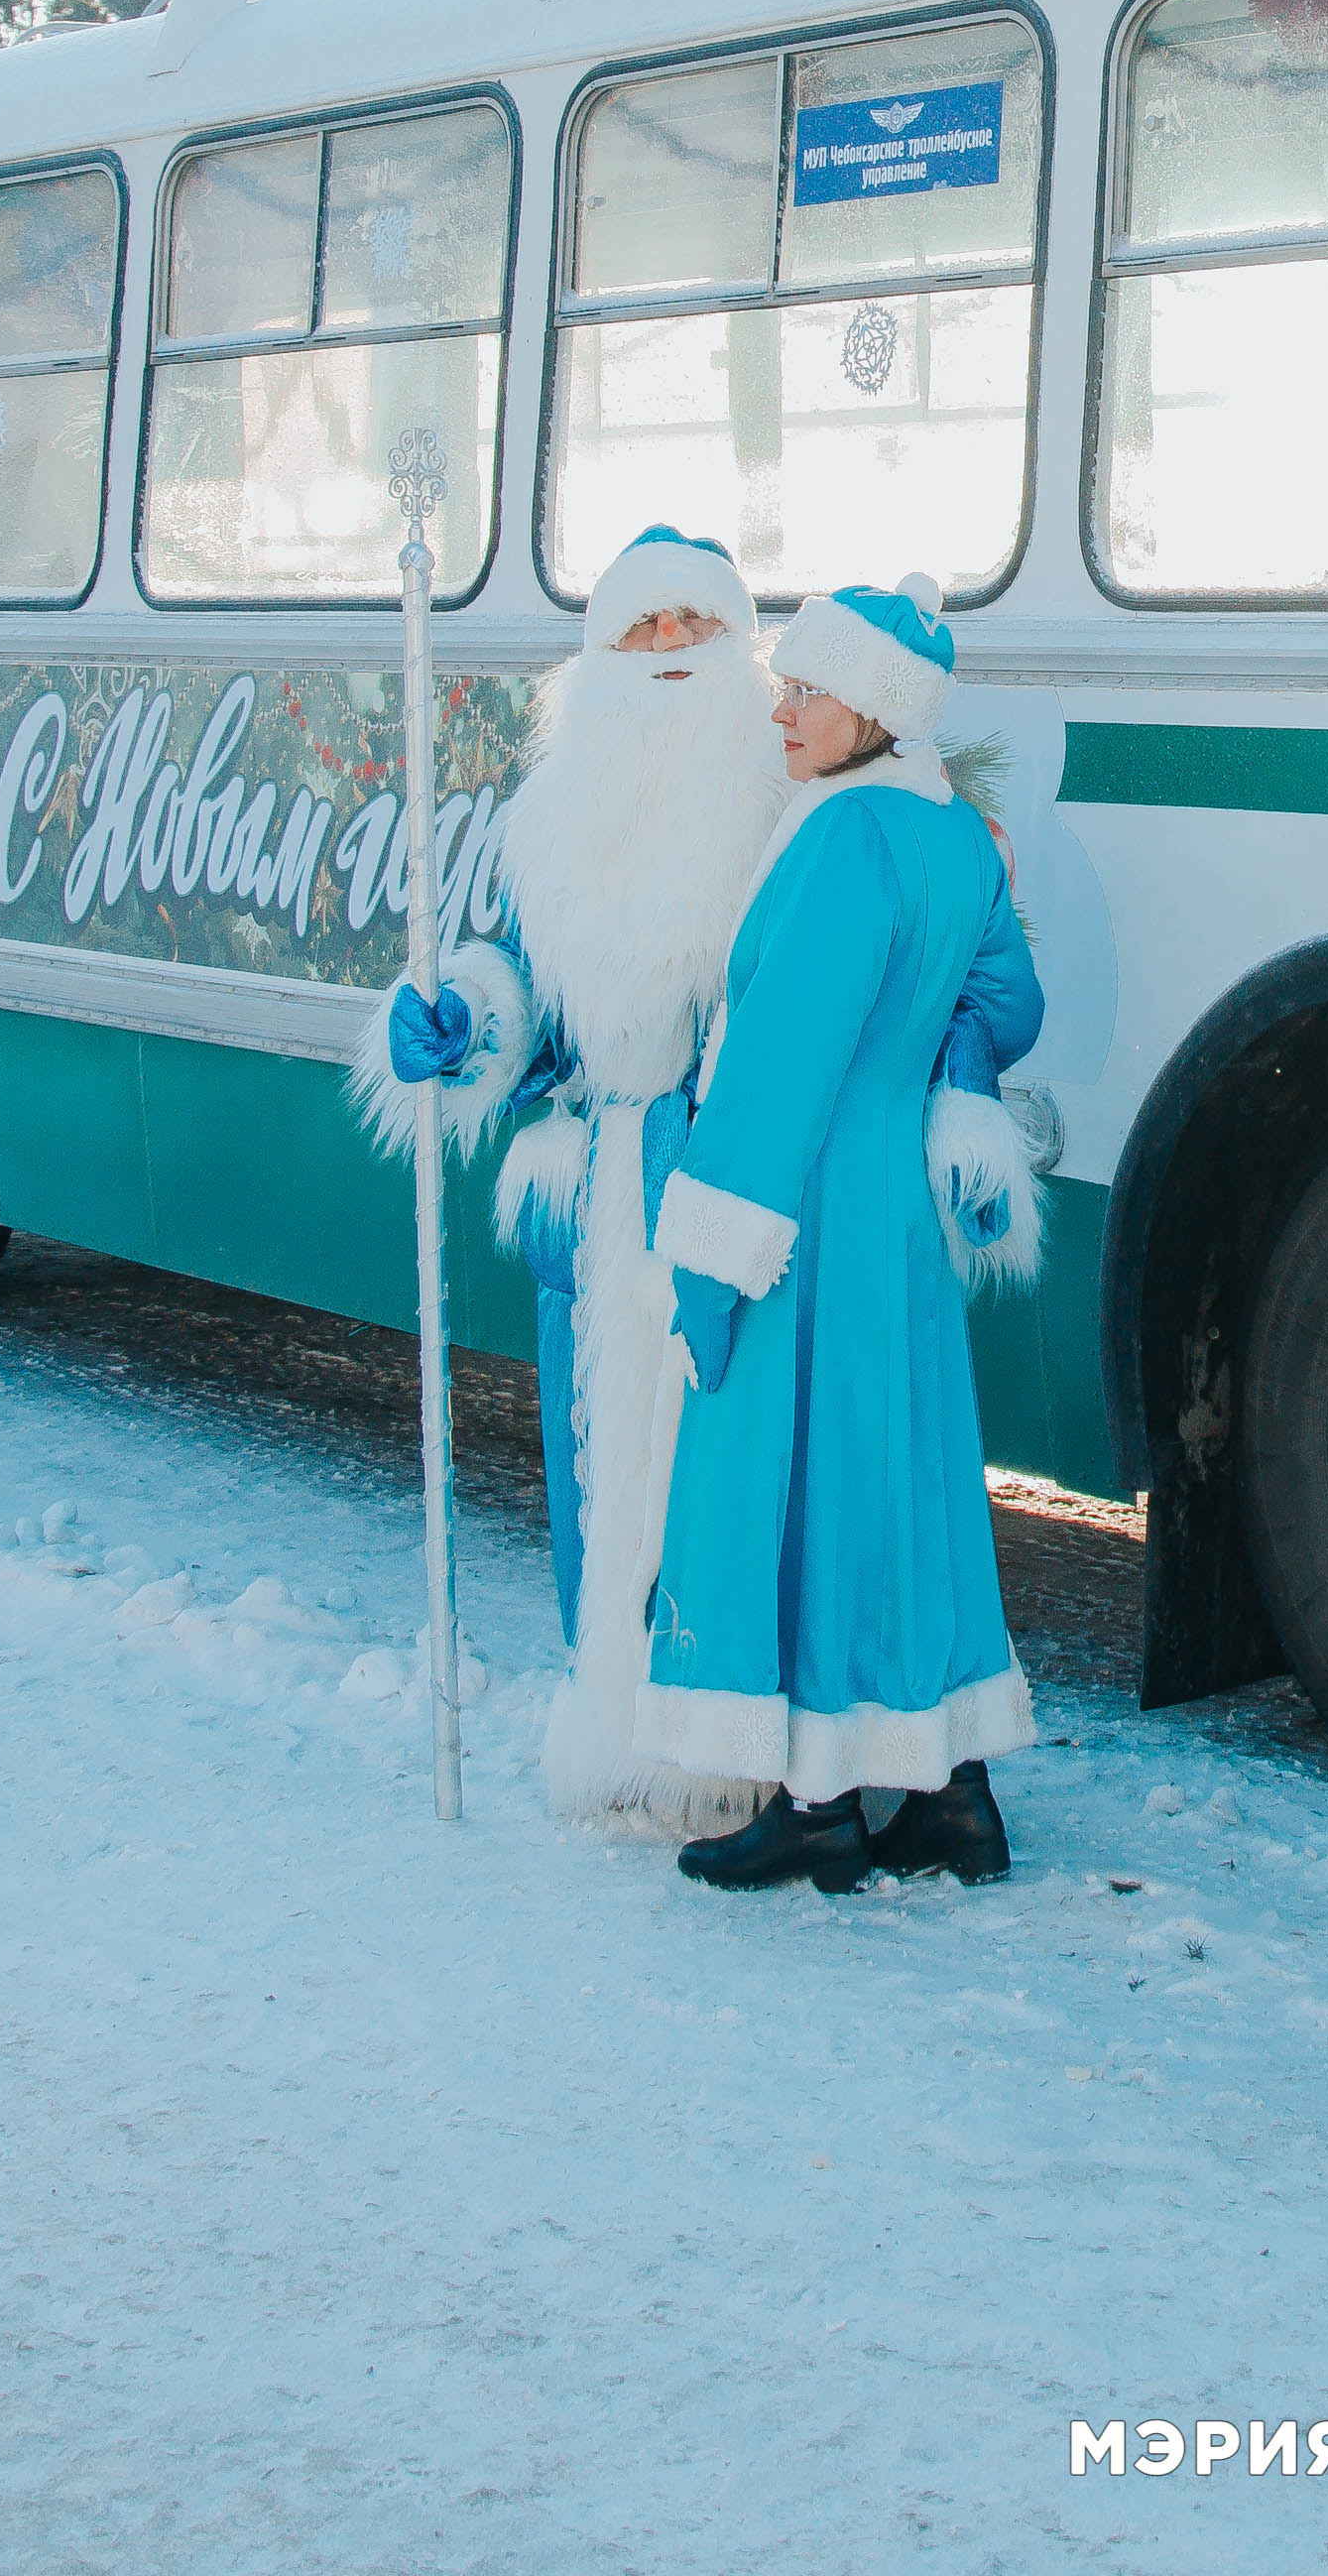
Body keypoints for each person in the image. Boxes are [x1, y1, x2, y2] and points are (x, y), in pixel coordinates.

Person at [643, 580, 1051, 1892]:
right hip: (899, 1219)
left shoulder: (837, 841)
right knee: (906, 1485)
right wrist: (950, 1072)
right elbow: (1008, 1004)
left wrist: (709, 1257)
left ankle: (816, 1805)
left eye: (811, 691)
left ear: (880, 706)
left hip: (802, 1207)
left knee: (794, 1485)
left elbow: (778, 1063)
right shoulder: (951, 837)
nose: (785, 710)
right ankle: (953, 1795)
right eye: (786, 685)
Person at [373, 527, 783, 1834]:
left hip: (744, 1181)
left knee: (730, 1467)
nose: (668, 655)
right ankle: (625, 1736)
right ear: (602, 655)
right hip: (613, 1191)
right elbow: (531, 1000)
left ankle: (745, 1750)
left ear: (734, 645)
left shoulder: (786, 791)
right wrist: (464, 1017)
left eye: (692, 629)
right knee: (611, 1472)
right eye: (642, 631)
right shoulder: (553, 820)